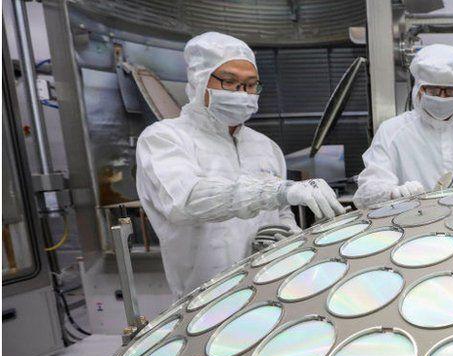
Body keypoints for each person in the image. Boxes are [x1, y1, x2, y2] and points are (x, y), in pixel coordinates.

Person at [136, 32, 344, 296]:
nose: (242, 93)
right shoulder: (164, 138)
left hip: (268, 287)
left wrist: (288, 238)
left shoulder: (265, 147)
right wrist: (277, 191)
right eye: (230, 82)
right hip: (203, 297)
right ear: (200, 81)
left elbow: (281, 213)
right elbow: (185, 201)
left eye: (250, 84)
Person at [353, 44, 453, 210]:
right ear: (419, 89)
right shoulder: (391, 131)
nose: (442, 97)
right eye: (433, 90)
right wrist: (393, 194)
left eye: (451, 91)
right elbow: (365, 195)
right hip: (414, 225)